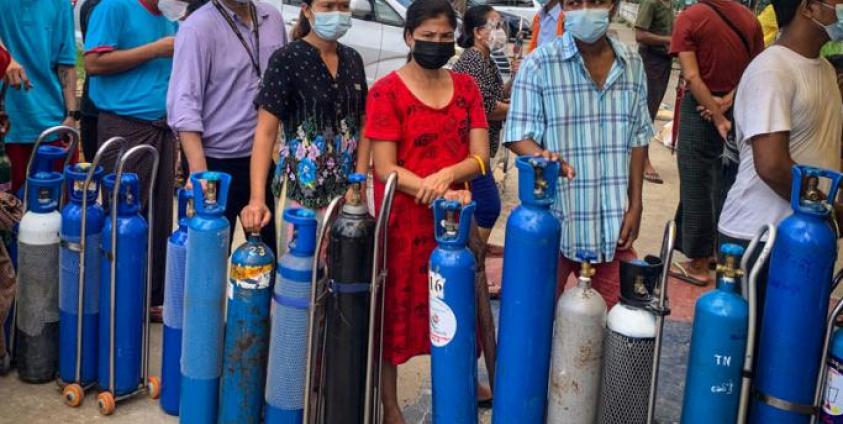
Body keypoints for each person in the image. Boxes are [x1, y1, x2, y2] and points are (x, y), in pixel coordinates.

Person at [365, 0, 490, 419]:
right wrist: (438, 188)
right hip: (403, 225)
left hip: (454, 226)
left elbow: (480, 159)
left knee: (460, 313)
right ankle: (389, 404)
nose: (436, 45)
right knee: (393, 316)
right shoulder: (386, 91)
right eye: (427, 37)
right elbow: (385, 168)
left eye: (443, 37)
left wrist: (449, 175)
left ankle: (459, 391)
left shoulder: (467, 89)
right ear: (408, 38)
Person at [505, 0, 653, 307]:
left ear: (612, 6)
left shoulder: (632, 65)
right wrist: (544, 157)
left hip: (611, 226)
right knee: (535, 324)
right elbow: (518, 135)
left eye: (595, 1)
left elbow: (639, 136)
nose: (584, 9)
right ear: (563, 8)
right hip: (554, 219)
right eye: (574, 2)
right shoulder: (539, 64)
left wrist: (636, 203)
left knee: (617, 325)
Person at [719, 0, 843, 308]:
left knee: (793, 349)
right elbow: (773, 166)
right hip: (760, 239)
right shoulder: (772, 70)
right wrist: (831, 212)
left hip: (805, 239)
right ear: (809, 8)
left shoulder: (825, 70)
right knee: (758, 350)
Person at [239, 0, 369, 240]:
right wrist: (257, 199)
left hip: (345, 196)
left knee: (342, 272)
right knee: (297, 271)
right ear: (307, 10)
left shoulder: (353, 60)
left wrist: (358, 184)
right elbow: (265, 133)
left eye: (343, 6)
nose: (337, 14)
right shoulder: (287, 59)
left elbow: (363, 125)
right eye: (328, 6)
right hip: (299, 195)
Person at [84, 0, 181, 314]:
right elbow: (94, 64)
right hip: (125, 127)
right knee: (125, 214)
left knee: (158, 216)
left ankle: (149, 297)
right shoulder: (114, 7)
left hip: (163, 129)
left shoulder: (171, 16)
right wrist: (153, 50)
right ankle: (117, 296)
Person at [168, 0, 286, 251]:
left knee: (263, 258)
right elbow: (184, 104)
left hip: (259, 160)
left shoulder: (272, 19)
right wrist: (200, 174)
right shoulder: (197, 28)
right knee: (208, 260)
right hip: (213, 164)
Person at [669, 0, 763, 286]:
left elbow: (692, 75)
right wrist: (726, 103)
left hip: (701, 107)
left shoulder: (689, 18)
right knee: (725, 179)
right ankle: (715, 251)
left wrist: (714, 111)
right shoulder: (749, 19)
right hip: (738, 105)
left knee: (696, 179)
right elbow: (755, 69)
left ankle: (697, 263)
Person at [452, 5, 507, 295]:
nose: (501, 33)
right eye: (494, 26)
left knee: (475, 209)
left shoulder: (487, 60)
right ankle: (471, 267)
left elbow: (496, 94)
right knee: (487, 206)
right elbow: (486, 109)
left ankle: (472, 268)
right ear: (478, 32)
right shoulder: (472, 61)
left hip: (480, 147)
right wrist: (518, 110)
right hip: (470, 150)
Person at [0, 0, 78, 192]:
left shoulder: (60, 5)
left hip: (50, 124)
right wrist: (5, 58)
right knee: (7, 213)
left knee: (52, 208)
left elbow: (66, 64)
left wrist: (71, 114)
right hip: (7, 128)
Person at [635, 0, 673, 184]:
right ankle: (643, 161)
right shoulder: (650, 2)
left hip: (664, 62)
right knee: (646, 114)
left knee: (652, 109)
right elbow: (640, 35)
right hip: (651, 61)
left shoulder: (668, 3)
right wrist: (667, 40)